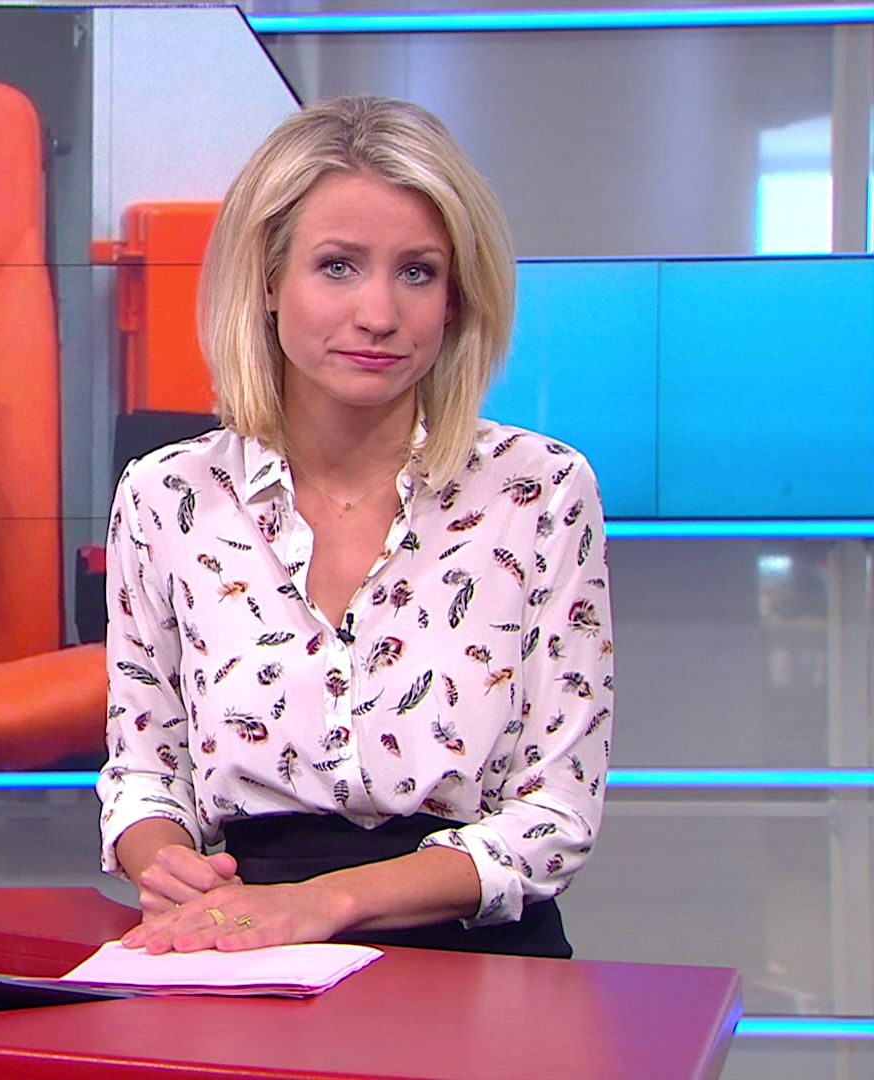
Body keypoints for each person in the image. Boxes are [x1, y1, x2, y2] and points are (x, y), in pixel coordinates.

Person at [97, 96, 613, 958]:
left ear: (456, 299)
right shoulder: (167, 496)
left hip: (475, 960)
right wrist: (169, 867)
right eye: (337, 266)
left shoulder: (541, 490)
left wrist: (323, 906)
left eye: (418, 272)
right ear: (268, 281)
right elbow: (145, 772)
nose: (379, 313)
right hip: (244, 946)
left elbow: (557, 812)